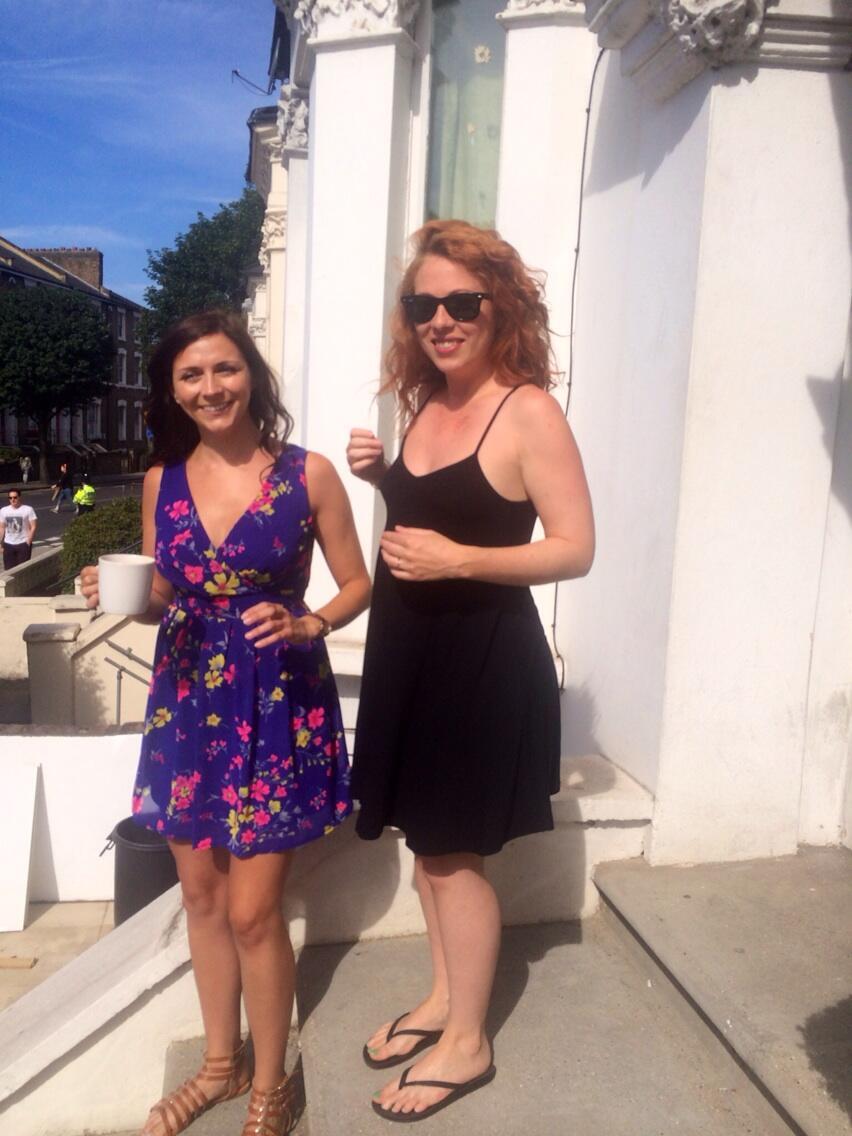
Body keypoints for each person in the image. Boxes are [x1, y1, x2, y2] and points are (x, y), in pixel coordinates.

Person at [80, 310, 371, 1136]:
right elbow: (164, 596)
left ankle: (270, 1079)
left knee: (252, 912)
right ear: (173, 392)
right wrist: (123, 594)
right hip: (186, 702)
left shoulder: (308, 475)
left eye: (225, 369)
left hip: (276, 702)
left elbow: (358, 582)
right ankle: (221, 1063)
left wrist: (309, 622)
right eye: (192, 376)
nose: (211, 388)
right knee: (202, 898)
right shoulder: (161, 481)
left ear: (252, 375)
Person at [347, 220, 595, 1123]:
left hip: (482, 665)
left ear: (502, 307)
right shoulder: (427, 404)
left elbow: (575, 548)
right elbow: (440, 510)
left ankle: (468, 1042)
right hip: (411, 657)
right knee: (427, 847)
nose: (440, 320)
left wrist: (460, 562)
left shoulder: (526, 411)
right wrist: (383, 477)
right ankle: (446, 997)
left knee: (453, 860)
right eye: (423, 305)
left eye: (461, 302)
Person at [0, 488, 37, 570]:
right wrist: (0, 544)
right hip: (8, 544)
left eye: (15, 497)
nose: (12, 500)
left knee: (22, 570)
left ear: (19, 497)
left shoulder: (28, 509)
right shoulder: (3, 510)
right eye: (10, 498)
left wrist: (28, 541)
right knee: (9, 570)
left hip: (23, 543)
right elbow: (2, 528)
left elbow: (33, 526)